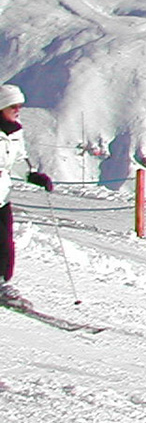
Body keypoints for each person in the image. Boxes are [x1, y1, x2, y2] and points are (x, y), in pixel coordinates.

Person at [0, 83, 54, 302]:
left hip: (2, 194)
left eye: (20, 105)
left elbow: (19, 159)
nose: (17, 110)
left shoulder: (15, 131)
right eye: (13, 105)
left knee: (5, 240)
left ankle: (3, 281)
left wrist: (31, 175)